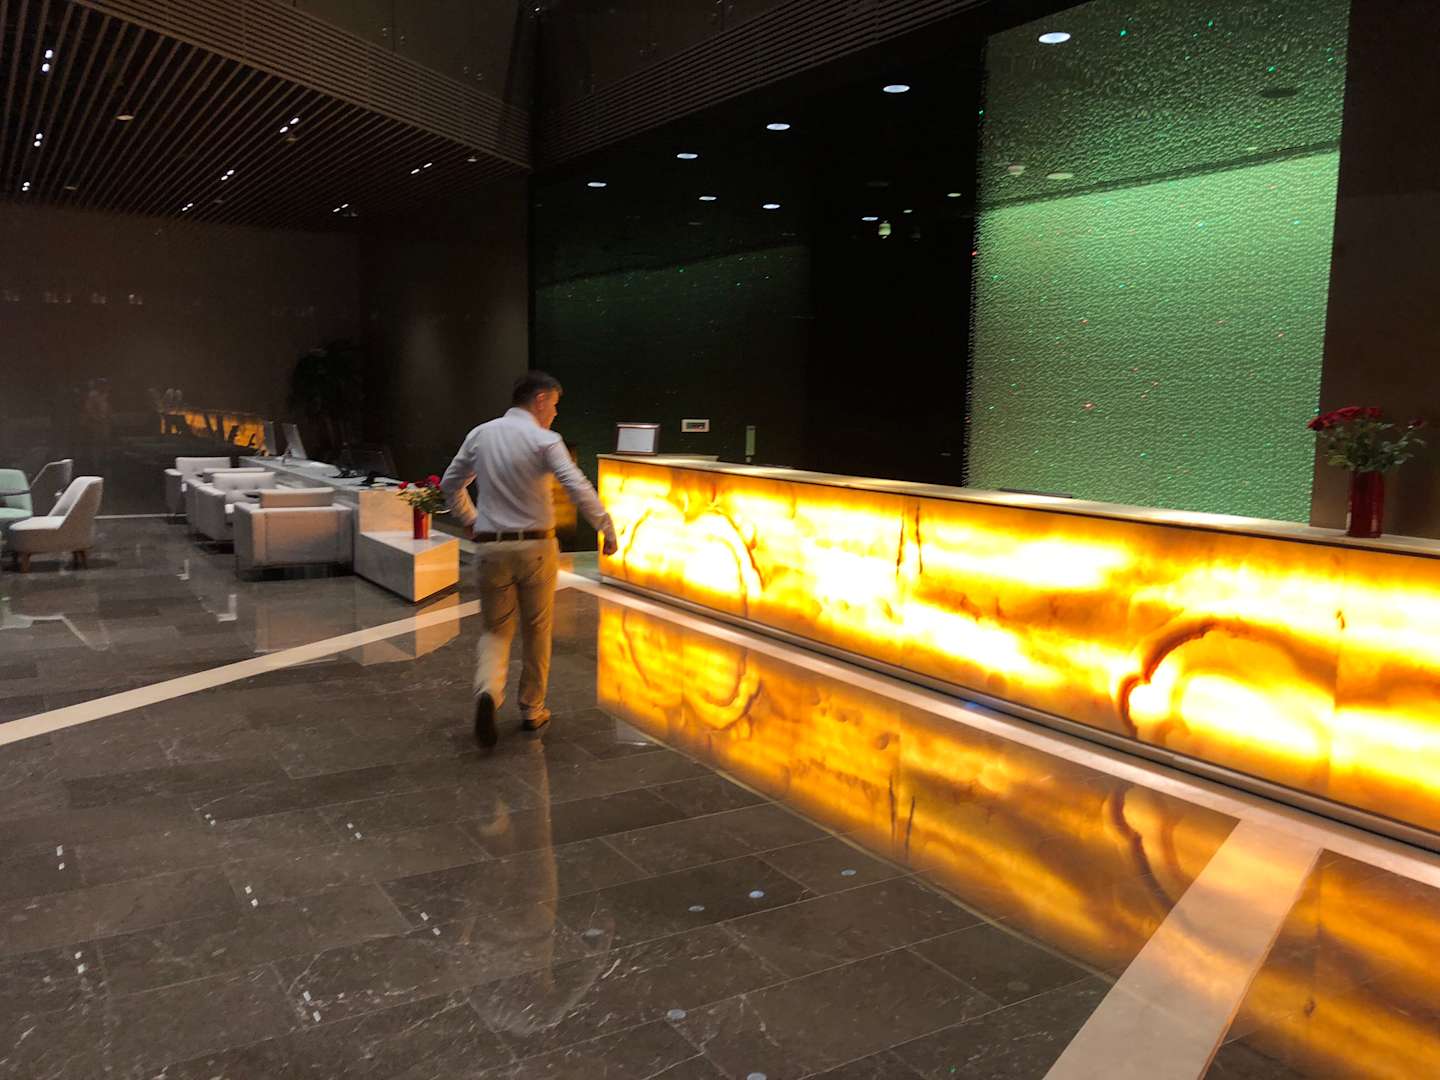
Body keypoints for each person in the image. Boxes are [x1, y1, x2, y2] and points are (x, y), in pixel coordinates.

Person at [441, 371, 618, 749]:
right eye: (554, 404)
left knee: (495, 630)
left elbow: (450, 484)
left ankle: (488, 691)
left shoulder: (481, 434)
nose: (555, 413)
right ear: (539, 400)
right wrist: (605, 525)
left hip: (491, 547)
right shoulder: (544, 440)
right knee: (537, 630)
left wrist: (472, 520)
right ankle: (532, 708)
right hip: (536, 547)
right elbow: (576, 484)